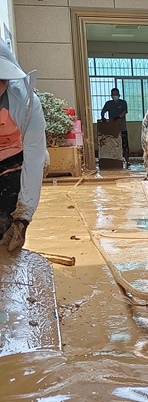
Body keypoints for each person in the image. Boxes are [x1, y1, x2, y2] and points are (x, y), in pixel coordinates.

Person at [0, 41, 47, 253]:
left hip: (16, 158)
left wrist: (23, 216)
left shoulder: (26, 102)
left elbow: (34, 159)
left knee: (4, 223)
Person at [101, 88, 129, 163]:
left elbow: (125, 111)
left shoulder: (123, 102)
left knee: (125, 145)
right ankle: (114, 161)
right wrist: (103, 117)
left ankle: (127, 161)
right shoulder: (108, 103)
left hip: (122, 128)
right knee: (113, 145)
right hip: (112, 128)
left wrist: (119, 117)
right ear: (111, 95)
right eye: (113, 94)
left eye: (116, 94)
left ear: (119, 95)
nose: (115, 96)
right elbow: (103, 110)